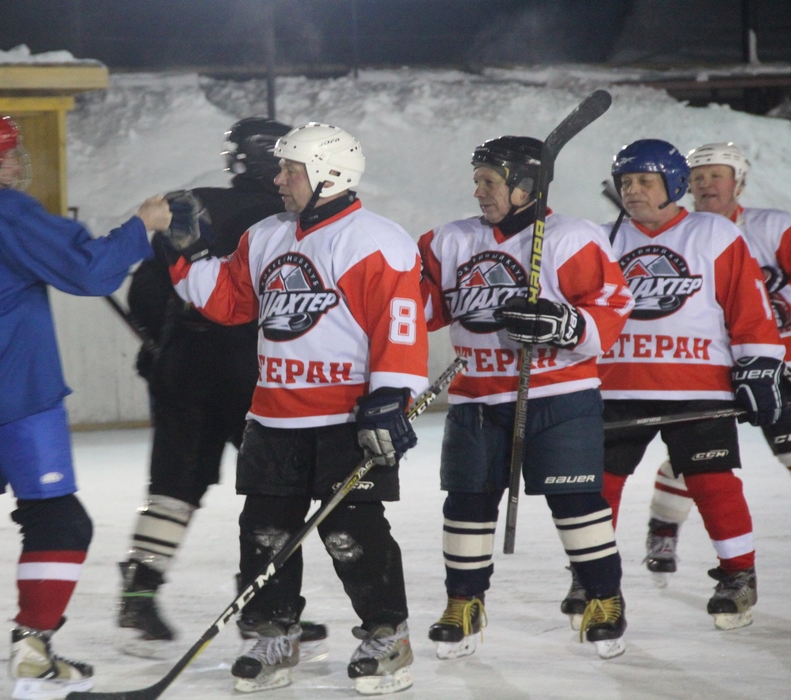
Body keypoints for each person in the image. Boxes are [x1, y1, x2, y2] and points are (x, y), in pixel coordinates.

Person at [0, 108, 171, 700]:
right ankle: (34, 652)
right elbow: (89, 271)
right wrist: (142, 226)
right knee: (59, 519)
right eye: (7, 152)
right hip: (17, 395)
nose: (16, 162)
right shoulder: (5, 213)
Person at [164, 122, 426, 695]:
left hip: (346, 421)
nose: (279, 180)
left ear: (329, 175)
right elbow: (228, 301)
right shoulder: (265, 236)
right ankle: (273, 635)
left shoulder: (377, 240)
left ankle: (388, 634)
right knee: (265, 534)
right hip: (274, 416)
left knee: (351, 534)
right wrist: (186, 254)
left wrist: (390, 399)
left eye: (291, 170)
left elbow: (400, 327)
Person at [116, 117, 327, 659]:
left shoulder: (192, 203)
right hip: (252, 371)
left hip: (183, 366)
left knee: (175, 483)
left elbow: (145, 288)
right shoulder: (291, 220)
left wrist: (160, 342)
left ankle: (140, 588)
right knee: (273, 492)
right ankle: (262, 606)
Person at [417, 135, 633, 662]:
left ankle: (605, 598)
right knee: (467, 500)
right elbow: (420, 309)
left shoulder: (569, 236)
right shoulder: (448, 241)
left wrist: (567, 322)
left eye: (490, 181)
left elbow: (613, 302)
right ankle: (462, 602)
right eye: (478, 181)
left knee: (576, 502)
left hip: (559, 394)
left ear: (525, 187)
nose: (479, 192)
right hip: (476, 398)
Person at [592, 138, 785, 631]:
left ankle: (738, 575)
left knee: (713, 482)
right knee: (598, 486)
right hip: (617, 385)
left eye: (644, 181)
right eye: (626, 182)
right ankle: (593, 579)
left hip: (698, 386)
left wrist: (759, 366)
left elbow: (749, 308)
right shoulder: (601, 240)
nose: (632, 190)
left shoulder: (713, 233)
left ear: (674, 185)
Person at [641, 142, 791, 585]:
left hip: (778, 364)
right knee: (696, 458)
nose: (706, 184)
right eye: (698, 177)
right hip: (706, 369)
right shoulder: (676, 235)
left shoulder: (774, 227)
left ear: (738, 181)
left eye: (716, 174)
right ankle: (662, 528)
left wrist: (779, 311)